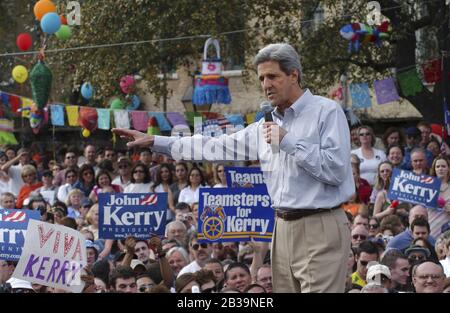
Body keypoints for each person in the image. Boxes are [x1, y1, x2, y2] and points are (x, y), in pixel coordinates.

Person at [113, 42, 353, 293]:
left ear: (294, 75)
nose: (266, 85)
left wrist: (288, 140)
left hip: (320, 225)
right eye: (261, 78)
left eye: (273, 76)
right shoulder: (265, 125)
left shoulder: (326, 112)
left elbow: (336, 171)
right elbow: (214, 146)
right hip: (280, 226)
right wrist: (155, 140)